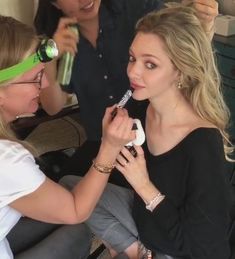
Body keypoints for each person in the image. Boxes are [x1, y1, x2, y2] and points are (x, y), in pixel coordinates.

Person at [62, 4, 233, 258]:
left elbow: (207, 251)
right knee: (71, 188)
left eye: (150, 64)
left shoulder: (202, 143)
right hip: (146, 222)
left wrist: (143, 185)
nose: (133, 71)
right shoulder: (143, 107)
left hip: (179, 247)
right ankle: (136, 251)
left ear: (181, 70)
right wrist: (110, 142)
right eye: (132, 58)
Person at [34, 0, 219, 186]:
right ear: (55, 4)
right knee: (65, 186)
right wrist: (49, 57)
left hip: (155, 139)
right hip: (103, 143)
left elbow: (186, 51)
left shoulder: (137, 11)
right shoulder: (64, 41)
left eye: (148, 64)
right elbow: (52, 107)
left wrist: (205, 25)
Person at [0, 15, 135, 259]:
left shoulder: (120, 25)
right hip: (99, 142)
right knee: (78, 204)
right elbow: (54, 106)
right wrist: (109, 147)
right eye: (36, 77)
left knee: (75, 202)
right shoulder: (8, 160)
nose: (45, 82)